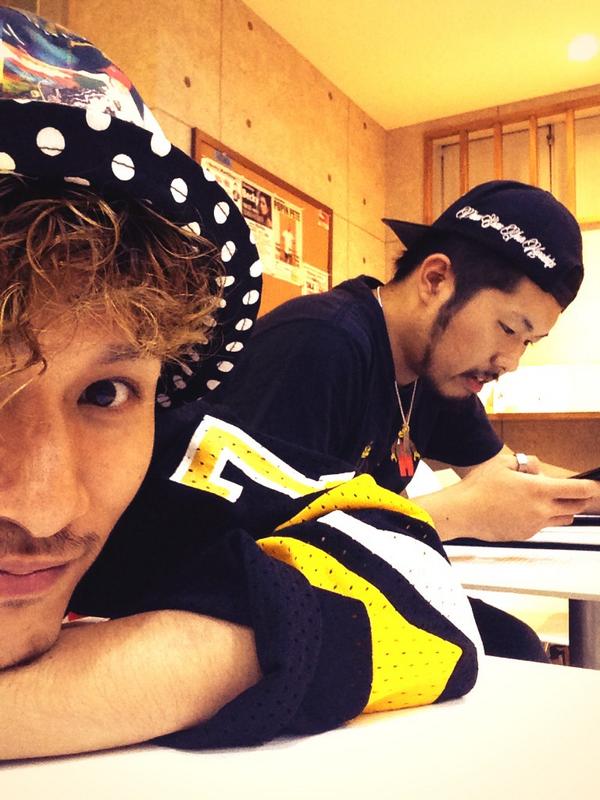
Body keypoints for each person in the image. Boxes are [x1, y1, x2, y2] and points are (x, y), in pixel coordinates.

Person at [0, 8, 483, 760]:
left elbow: (429, 593)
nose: (42, 504)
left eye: (105, 393)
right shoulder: (329, 337)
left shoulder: (172, 460)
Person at [214, 179, 600, 661]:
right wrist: (455, 512)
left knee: (514, 644)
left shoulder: (440, 374)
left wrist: (588, 493)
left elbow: (510, 474)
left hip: (346, 590)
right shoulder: (321, 344)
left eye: (527, 342)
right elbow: (253, 547)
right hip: (249, 614)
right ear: (435, 280)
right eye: (508, 329)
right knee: (504, 653)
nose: (510, 362)